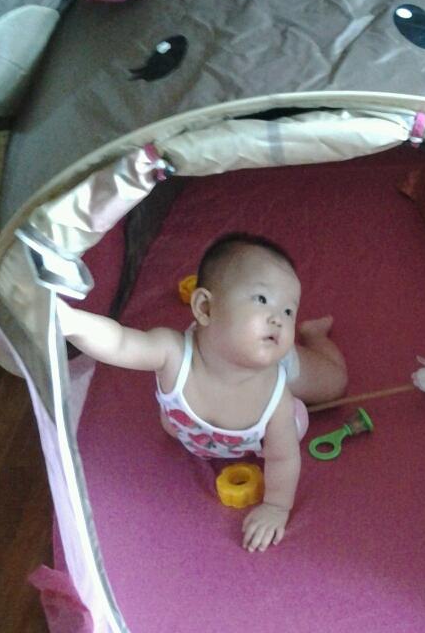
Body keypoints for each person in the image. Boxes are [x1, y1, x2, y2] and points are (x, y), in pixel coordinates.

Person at [57, 232, 347, 552]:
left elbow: (283, 457)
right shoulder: (172, 353)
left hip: (276, 364)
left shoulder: (275, 396)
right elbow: (120, 342)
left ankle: (315, 336)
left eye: (289, 311)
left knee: (334, 385)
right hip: (198, 405)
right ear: (205, 307)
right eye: (262, 300)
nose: (278, 319)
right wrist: (71, 323)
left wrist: (276, 507)